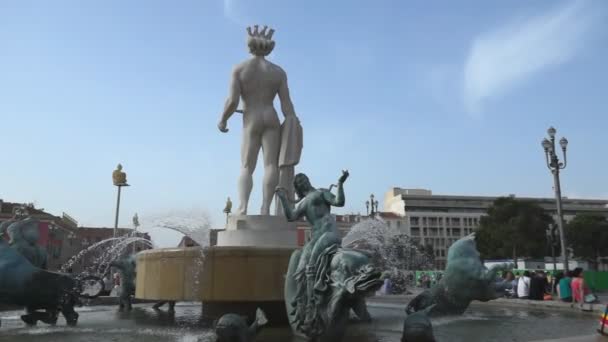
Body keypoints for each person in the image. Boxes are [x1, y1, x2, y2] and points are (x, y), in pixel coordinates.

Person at [217, 25, 301, 216]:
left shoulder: (240, 69)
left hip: (251, 118)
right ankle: (265, 209)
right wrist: (292, 124)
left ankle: (243, 207)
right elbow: (287, 105)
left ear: (250, 46)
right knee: (271, 165)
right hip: (271, 117)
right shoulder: (278, 72)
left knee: (247, 166)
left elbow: (232, 101)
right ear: (269, 48)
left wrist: (223, 120)